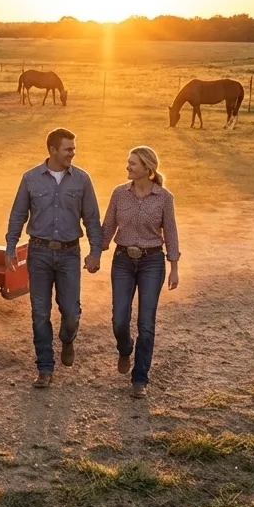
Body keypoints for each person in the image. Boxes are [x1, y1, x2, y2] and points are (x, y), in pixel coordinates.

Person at [5, 128, 102, 388]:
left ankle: (67, 338)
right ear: (53, 150)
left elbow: (92, 217)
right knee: (39, 313)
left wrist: (95, 250)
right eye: (68, 149)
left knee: (70, 312)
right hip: (39, 253)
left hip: (70, 253)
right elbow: (18, 215)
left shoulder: (82, 180)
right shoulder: (30, 179)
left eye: (73, 148)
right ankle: (45, 368)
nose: (73, 153)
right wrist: (10, 246)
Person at [100, 146, 180, 399]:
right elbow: (108, 227)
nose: (127, 167)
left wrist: (174, 267)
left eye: (132, 163)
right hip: (123, 259)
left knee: (146, 324)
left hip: (152, 262)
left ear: (147, 168)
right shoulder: (119, 194)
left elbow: (171, 232)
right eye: (128, 162)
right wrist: (94, 251)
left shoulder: (165, 198)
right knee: (119, 319)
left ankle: (140, 379)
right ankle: (125, 349)